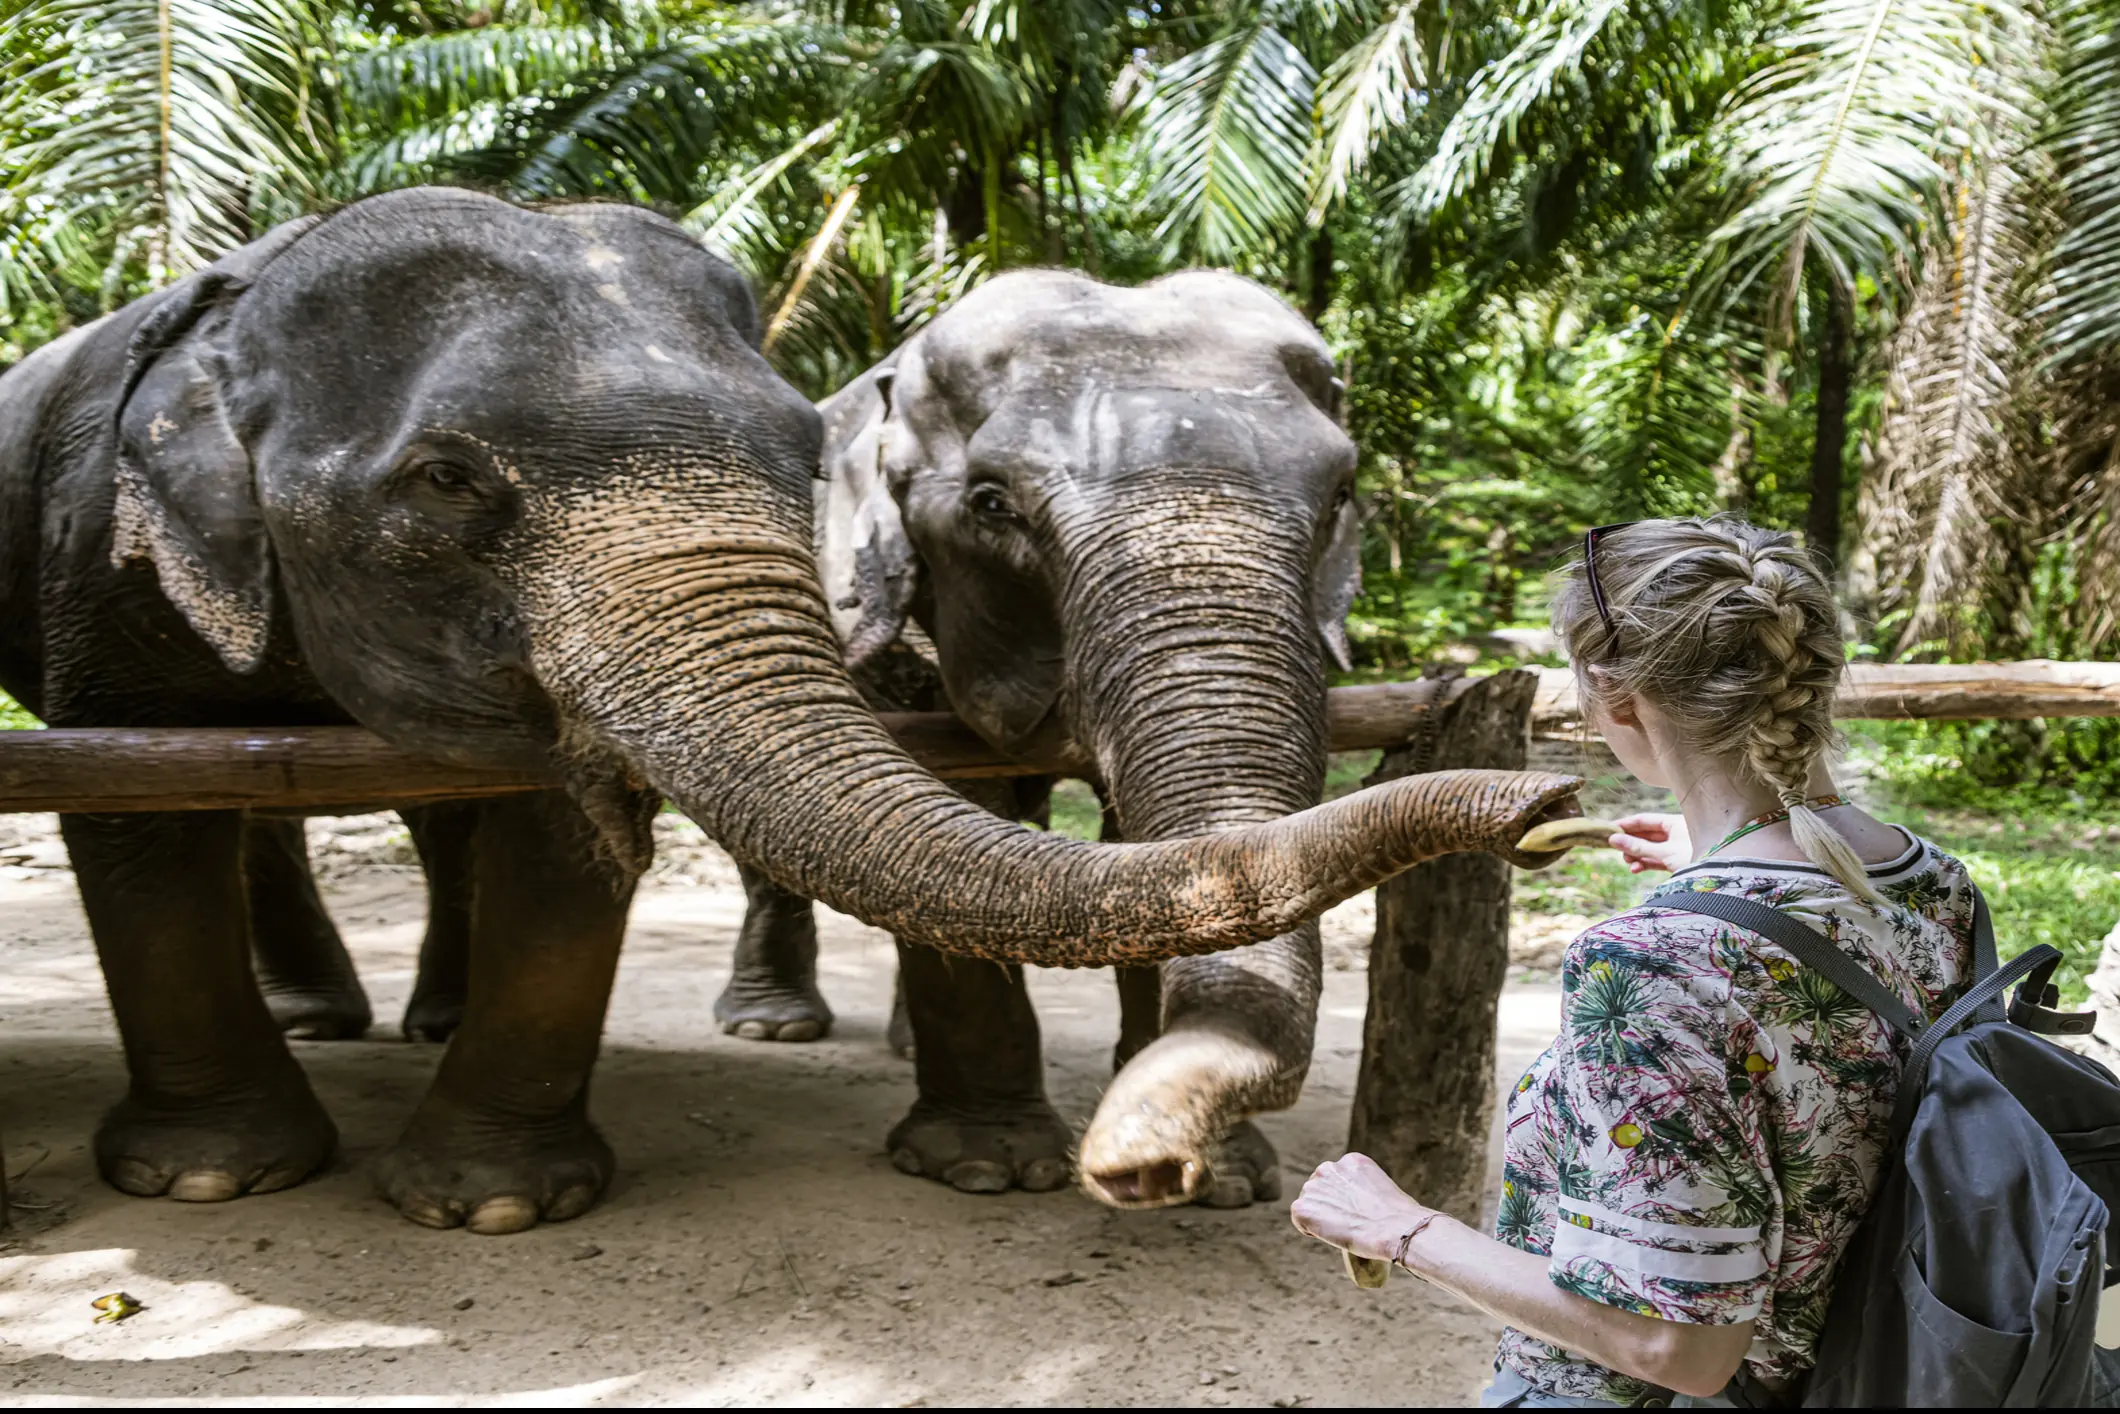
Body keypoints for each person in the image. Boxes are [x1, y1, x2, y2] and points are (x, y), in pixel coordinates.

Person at [1290, 517, 1979, 1407]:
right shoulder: (1931, 879)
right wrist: (1711, 875)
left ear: (1616, 701)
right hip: (1869, 1366)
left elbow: (1676, 1348)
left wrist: (1399, 1229)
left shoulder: (1655, 963)